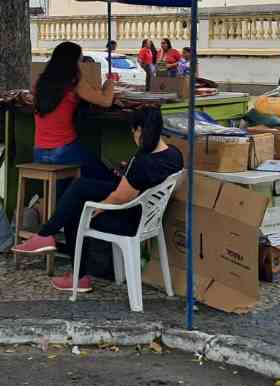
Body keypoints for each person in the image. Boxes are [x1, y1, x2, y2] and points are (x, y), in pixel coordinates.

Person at [14, 108, 184, 292]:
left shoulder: (141, 162)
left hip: (129, 220)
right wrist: (127, 172)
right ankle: (46, 236)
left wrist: (99, 208)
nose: (133, 137)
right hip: (148, 216)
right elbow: (139, 184)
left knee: (76, 209)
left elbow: (120, 197)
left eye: (133, 132)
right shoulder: (174, 154)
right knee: (81, 186)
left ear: (140, 130)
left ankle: (75, 272)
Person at [32, 41, 116, 170]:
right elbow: (106, 101)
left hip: (39, 152)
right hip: (64, 151)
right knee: (104, 175)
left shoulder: (40, 82)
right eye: (79, 61)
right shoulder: (74, 81)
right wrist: (109, 83)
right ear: (73, 62)